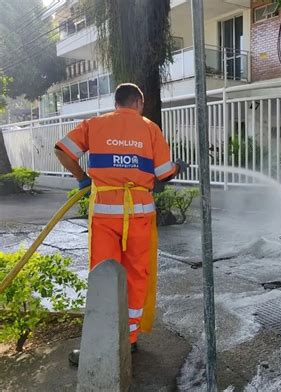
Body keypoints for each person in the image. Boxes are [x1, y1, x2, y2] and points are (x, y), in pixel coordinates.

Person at [54, 83, 188, 365]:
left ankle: (101, 339)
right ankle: (129, 340)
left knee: (103, 276)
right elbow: (164, 174)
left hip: (103, 216)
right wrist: (177, 167)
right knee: (136, 275)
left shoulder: (94, 124)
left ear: (117, 103)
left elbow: (63, 150)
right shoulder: (150, 128)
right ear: (138, 103)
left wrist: (82, 178)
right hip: (139, 217)